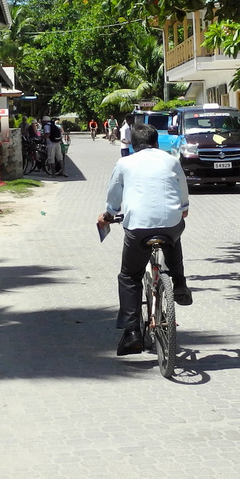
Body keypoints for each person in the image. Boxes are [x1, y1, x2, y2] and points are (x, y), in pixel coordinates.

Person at [97, 122, 192, 356]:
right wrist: (183, 207)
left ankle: (131, 334)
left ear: (133, 145)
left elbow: (114, 196)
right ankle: (179, 284)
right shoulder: (171, 160)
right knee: (174, 235)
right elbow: (182, 189)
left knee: (129, 276)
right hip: (170, 223)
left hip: (138, 227)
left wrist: (108, 215)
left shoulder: (124, 163)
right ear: (156, 143)